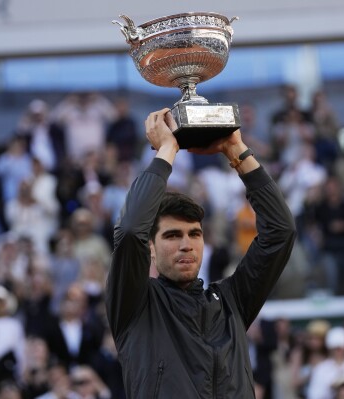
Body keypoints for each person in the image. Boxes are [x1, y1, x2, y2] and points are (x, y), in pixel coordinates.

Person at [105, 108, 296, 398]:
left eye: (195, 234)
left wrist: (236, 150)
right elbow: (130, 231)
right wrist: (167, 150)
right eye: (172, 235)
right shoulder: (135, 304)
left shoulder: (233, 301)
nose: (186, 244)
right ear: (151, 249)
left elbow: (281, 232)